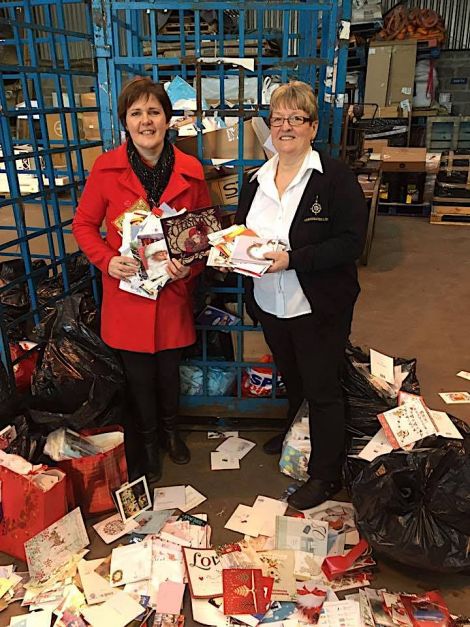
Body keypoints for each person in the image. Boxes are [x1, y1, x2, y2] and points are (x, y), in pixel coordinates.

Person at [235, 81, 368, 510]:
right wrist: (230, 252)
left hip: (316, 305)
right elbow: (241, 233)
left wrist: (293, 259)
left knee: (322, 387)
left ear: (312, 127)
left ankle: (325, 473)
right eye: (278, 119)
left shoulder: (334, 179)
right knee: (293, 377)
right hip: (270, 302)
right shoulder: (256, 180)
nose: (286, 126)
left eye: (296, 119)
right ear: (269, 127)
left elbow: (351, 243)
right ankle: (298, 433)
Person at [72, 78, 211, 481]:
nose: (146, 121)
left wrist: (191, 266)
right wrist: (105, 261)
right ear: (125, 123)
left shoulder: (191, 170)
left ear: (168, 120)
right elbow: (83, 225)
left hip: (170, 292)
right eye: (136, 113)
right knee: (138, 378)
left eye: (154, 112)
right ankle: (148, 442)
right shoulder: (106, 167)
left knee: (169, 373)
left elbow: (201, 234)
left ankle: (171, 434)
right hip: (127, 295)